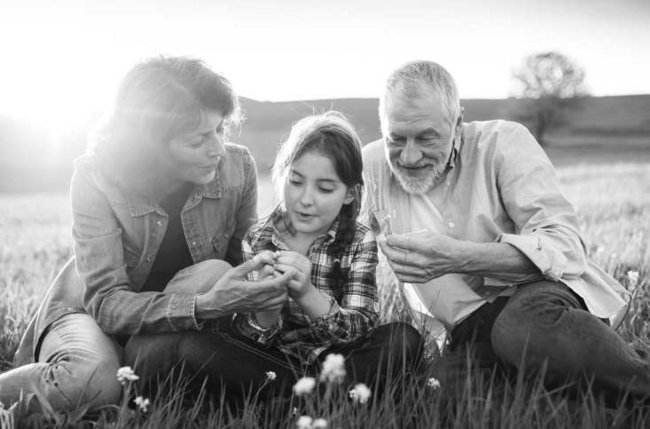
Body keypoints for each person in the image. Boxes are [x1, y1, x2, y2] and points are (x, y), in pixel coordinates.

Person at [0, 56, 290, 414]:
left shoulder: (236, 167)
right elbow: (106, 303)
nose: (217, 148)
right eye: (199, 138)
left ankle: (139, 389)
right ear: (151, 143)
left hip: (165, 335)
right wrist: (206, 305)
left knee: (216, 271)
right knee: (93, 380)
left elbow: (244, 263)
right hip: (91, 314)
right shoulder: (95, 178)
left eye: (219, 130)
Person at [361, 60, 649, 397]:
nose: (409, 157)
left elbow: (565, 246)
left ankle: (636, 376)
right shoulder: (372, 166)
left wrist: (459, 257)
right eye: (397, 139)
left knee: (518, 330)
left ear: (457, 122)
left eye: (427, 137)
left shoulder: (504, 143)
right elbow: (325, 229)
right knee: (440, 398)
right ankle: (557, 378)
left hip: (539, 298)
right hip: (468, 328)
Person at [127, 112, 423, 400]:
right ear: (282, 175)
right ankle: (320, 397)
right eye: (295, 181)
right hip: (271, 362)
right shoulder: (259, 238)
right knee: (194, 347)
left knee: (403, 338)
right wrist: (264, 309)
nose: (305, 199)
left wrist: (308, 294)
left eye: (324, 188)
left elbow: (361, 328)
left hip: (339, 357)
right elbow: (250, 336)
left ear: (349, 193)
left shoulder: (359, 241)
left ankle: (297, 399)